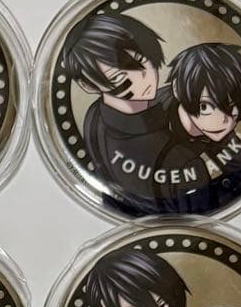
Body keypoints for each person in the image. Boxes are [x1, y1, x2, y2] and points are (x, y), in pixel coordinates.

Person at [61, 11, 208, 214]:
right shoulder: (181, 161)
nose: (143, 78)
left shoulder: (95, 115)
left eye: (141, 60)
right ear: (87, 85)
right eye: (118, 77)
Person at [155, 43, 241, 211]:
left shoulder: (220, 131)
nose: (222, 121)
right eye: (205, 106)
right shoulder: (150, 120)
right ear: (177, 90)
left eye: (231, 108)